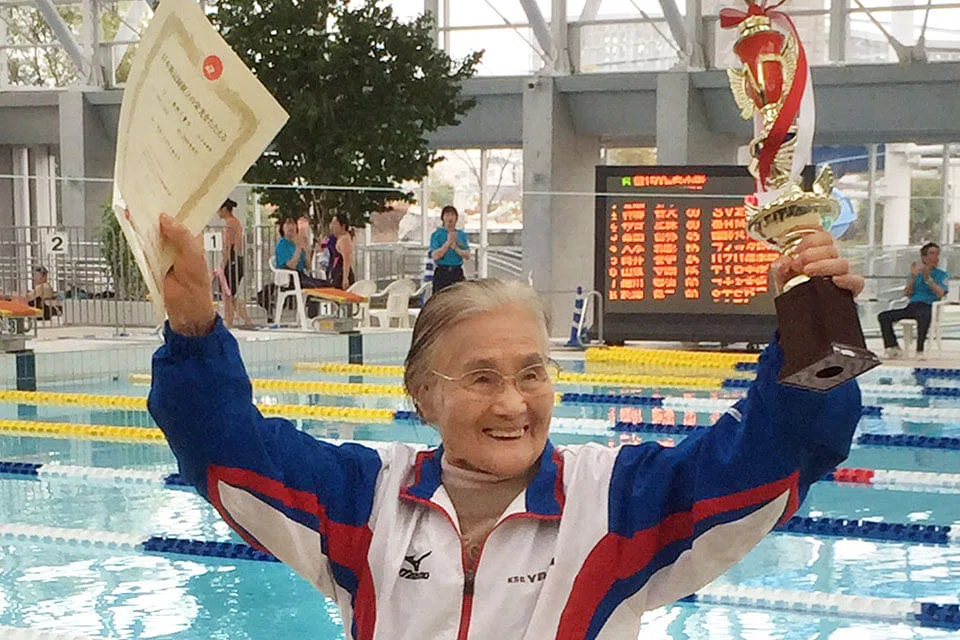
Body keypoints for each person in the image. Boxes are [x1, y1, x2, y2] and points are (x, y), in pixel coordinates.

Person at [150, 214, 862, 638]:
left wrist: (812, 319)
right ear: (423, 394)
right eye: (482, 377)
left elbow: (777, 455)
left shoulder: (617, 502)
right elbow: (225, 450)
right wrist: (192, 326)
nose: (514, 404)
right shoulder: (364, 498)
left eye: (531, 373)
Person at [877, 242, 949, 359]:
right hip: (912, 306)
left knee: (923, 315)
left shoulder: (942, 275)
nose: (935, 257)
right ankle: (893, 347)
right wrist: (913, 277)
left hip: (928, 306)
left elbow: (941, 294)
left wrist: (928, 279)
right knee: (883, 316)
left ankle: (920, 351)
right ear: (924, 257)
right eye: (932, 254)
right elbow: (907, 294)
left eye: (937, 254)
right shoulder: (915, 274)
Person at [218, 199, 253, 329]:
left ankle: (229, 321)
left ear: (224, 209)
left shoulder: (230, 224)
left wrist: (223, 263)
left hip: (232, 260)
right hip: (236, 259)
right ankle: (245, 320)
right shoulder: (235, 222)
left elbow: (228, 246)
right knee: (231, 295)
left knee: (227, 293)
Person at [274, 214, 325, 289]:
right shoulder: (282, 245)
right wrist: (298, 247)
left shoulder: (296, 243)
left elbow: (308, 267)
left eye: (293, 224)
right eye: (288, 223)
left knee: (327, 284)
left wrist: (306, 250)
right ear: (282, 228)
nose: (291, 226)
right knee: (315, 287)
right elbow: (291, 266)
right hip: (289, 279)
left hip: (302, 276)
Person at [430, 205, 470, 294]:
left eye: (452, 215)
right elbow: (435, 255)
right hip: (442, 271)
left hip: (457, 271)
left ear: (456, 218)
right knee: (440, 297)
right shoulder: (436, 235)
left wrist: (455, 247)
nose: (450, 218)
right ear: (443, 218)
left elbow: (467, 255)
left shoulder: (462, 235)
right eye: (447, 215)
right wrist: (448, 243)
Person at [327, 213, 356, 290]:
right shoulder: (339, 238)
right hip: (337, 273)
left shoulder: (344, 239)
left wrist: (345, 278)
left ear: (342, 226)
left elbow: (347, 259)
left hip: (341, 274)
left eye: (334, 223)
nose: (332, 226)